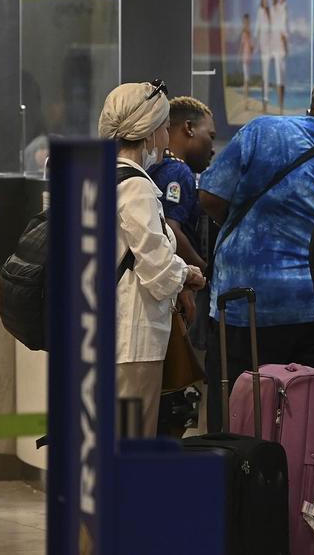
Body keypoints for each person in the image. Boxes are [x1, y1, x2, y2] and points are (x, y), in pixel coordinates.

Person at [198, 66, 314, 431]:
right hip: (311, 309)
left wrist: (244, 232)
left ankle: (231, 483)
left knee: (233, 410)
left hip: (242, 303)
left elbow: (210, 196)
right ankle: (292, 486)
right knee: (299, 416)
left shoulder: (261, 131)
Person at [98, 80, 206, 437]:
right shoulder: (137, 187)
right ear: (148, 134)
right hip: (133, 338)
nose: (164, 136)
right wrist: (187, 273)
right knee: (131, 440)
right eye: (162, 127)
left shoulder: (98, 180)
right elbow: (158, 269)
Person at [149, 96, 217, 351]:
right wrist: (205, 272)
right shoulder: (178, 172)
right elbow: (170, 228)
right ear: (188, 128)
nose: (212, 147)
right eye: (209, 135)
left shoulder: (156, 168)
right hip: (181, 285)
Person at [271, 0, 289, 110]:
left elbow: (284, 29)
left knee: (282, 77)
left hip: (281, 46)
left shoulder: (283, 9)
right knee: (279, 77)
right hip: (277, 46)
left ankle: (281, 104)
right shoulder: (277, 8)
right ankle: (280, 105)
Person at [256, 0, 273, 111]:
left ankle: (267, 101)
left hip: (271, 47)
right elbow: (257, 30)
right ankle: (264, 102)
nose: (265, 0)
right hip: (263, 48)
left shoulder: (270, 12)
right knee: (265, 76)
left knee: (268, 76)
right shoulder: (260, 12)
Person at [239, 13, 254, 98]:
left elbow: (250, 46)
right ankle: (246, 99)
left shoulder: (249, 32)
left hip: (249, 57)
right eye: (245, 21)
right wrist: (239, 56)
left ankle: (246, 98)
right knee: (246, 79)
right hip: (245, 57)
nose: (247, 22)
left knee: (247, 79)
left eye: (247, 21)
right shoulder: (244, 32)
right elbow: (241, 45)